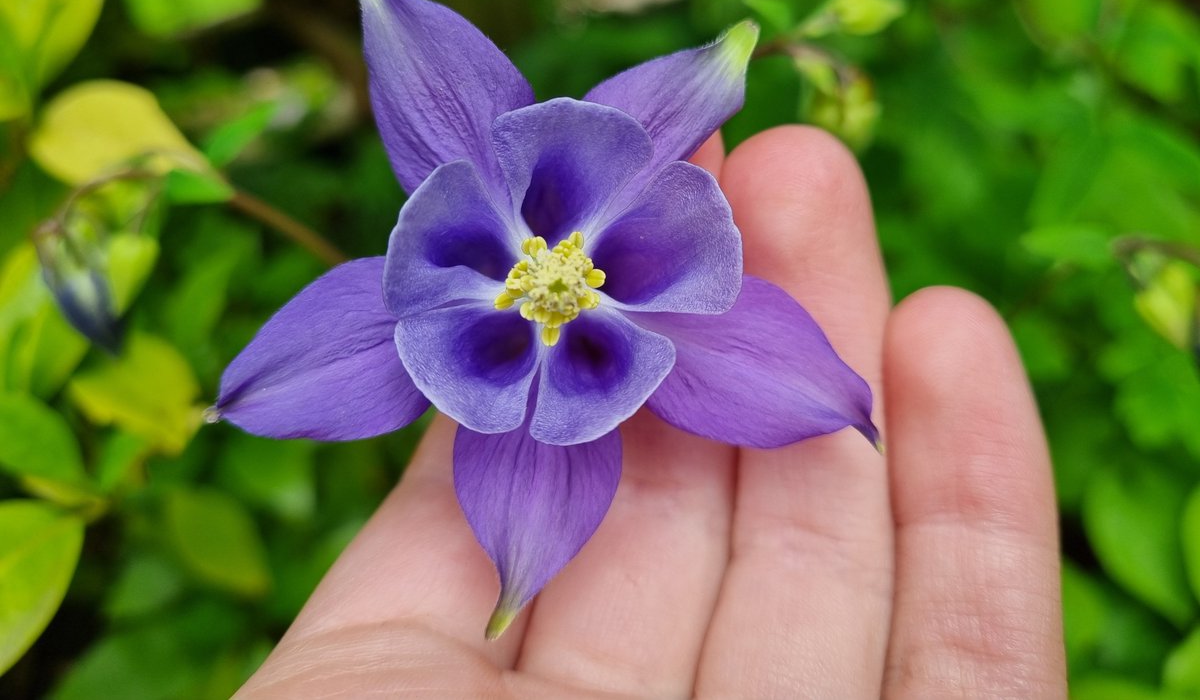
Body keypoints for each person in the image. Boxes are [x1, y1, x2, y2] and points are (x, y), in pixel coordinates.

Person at [234, 126, 1067, 699]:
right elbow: (301, 379)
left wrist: (836, 403)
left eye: (566, 276)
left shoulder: (635, 290)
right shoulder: (467, 257)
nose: (558, 281)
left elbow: (795, 383)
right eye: (552, 275)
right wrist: (517, 574)